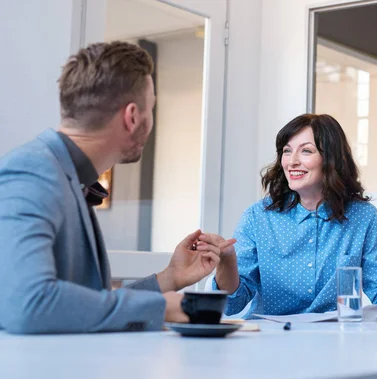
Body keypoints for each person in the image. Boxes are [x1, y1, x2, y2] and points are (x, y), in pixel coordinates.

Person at [0, 41, 230, 334]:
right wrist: (163, 308)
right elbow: (29, 305)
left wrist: (169, 279)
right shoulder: (31, 172)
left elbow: (87, 303)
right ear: (133, 117)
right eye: (151, 108)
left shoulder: (65, 174)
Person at [196, 114, 377, 317]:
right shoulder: (258, 217)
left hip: (337, 341)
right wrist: (226, 262)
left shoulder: (363, 217)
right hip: (271, 343)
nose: (292, 161)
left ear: (331, 160)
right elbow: (232, 304)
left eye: (306, 151)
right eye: (286, 150)